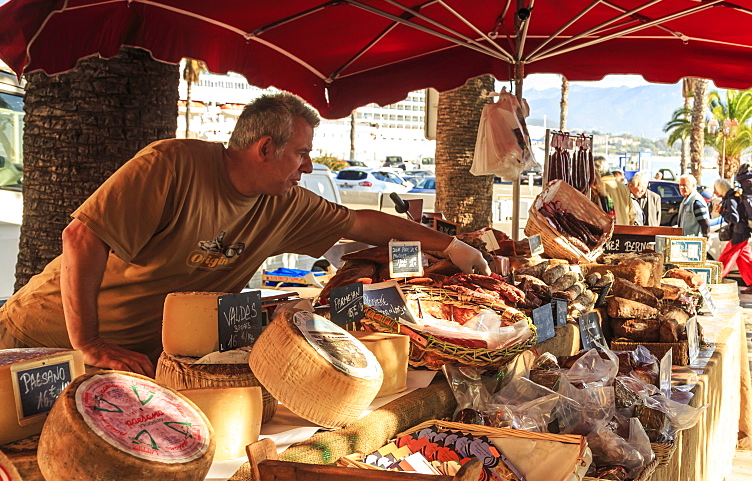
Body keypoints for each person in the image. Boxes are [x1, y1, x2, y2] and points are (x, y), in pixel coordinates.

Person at [0, 92, 488, 376]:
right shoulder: (171, 164)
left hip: (134, 362)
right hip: (42, 342)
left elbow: (361, 221)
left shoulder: (285, 204)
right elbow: (82, 237)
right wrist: (87, 341)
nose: (310, 165)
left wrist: (449, 245)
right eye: (302, 153)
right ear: (265, 148)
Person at [718, 167, 752, 294]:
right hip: (743, 233)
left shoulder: (730, 199)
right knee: (745, 260)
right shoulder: (733, 197)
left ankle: (715, 280)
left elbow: (735, 218)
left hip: (739, 233)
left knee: (725, 258)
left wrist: (721, 212)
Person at [593, 156, 635, 226]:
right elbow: (631, 214)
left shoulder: (597, 188)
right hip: (624, 228)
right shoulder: (624, 187)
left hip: (609, 230)